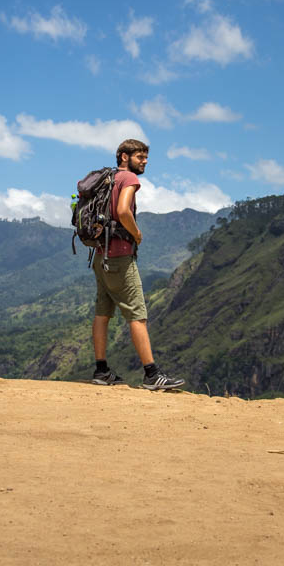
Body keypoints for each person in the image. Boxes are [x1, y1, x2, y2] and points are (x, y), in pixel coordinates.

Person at [91, 139, 185, 391]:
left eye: (145, 158)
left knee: (103, 313)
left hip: (100, 255)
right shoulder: (129, 180)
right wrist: (137, 233)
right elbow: (123, 211)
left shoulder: (107, 179)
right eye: (139, 157)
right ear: (124, 156)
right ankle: (152, 374)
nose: (144, 162)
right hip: (120, 257)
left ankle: (101, 371)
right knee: (137, 315)